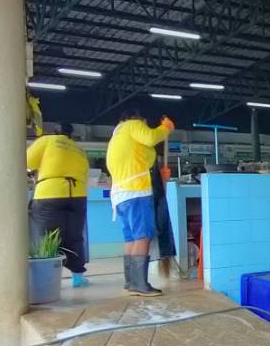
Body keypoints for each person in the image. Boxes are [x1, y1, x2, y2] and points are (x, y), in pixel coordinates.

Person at [105, 109, 174, 297]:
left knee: (131, 238)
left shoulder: (118, 134)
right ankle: (139, 284)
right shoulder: (133, 125)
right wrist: (165, 128)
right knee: (143, 236)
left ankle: (131, 282)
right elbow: (151, 138)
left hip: (120, 194)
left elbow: (143, 154)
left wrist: (160, 172)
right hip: (136, 190)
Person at [26, 121, 91, 287]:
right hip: (77, 196)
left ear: (55, 132)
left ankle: (45, 281)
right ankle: (78, 277)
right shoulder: (79, 150)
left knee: (45, 237)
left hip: (50, 194)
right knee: (74, 236)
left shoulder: (48, 141)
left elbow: (27, 161)